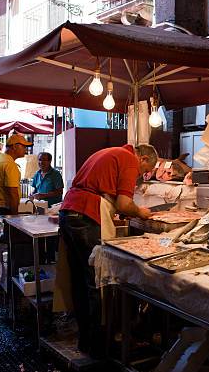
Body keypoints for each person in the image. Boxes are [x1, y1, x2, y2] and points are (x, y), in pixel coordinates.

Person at [59, 144, 157, 356]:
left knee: (80, 280)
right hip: (87, 214)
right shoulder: (130, 159)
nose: (142, 175)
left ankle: (85, 340)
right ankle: (99, 345)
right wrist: (139, 211)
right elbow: (123, 203)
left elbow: (108, 194)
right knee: (98, 280)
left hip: (69, 212)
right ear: (144, 158)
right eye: (146, 170)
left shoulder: (109, 152)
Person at [0, 134, 31, 290]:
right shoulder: (9, 164)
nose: (26, 149)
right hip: (1, 209)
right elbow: (12, 193)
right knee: (3, 246)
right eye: (23, 146)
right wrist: (15, 217)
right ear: (15, 146)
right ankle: (2, 281)